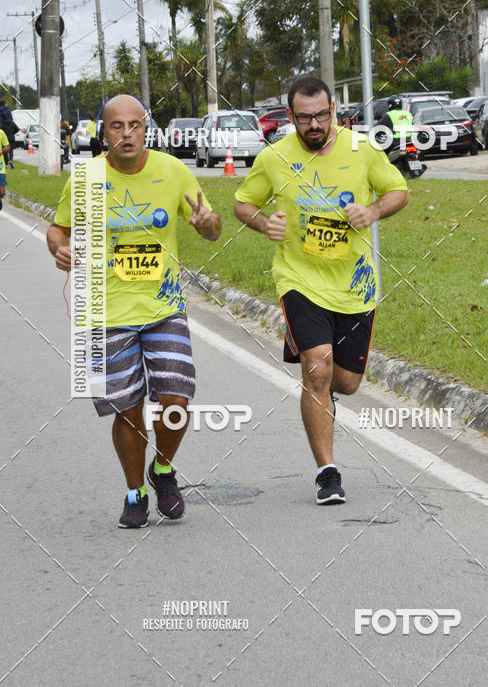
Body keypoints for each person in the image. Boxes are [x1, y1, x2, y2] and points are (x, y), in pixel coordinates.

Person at [47, 94, 222, 528]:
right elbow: (58, 229)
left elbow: (212, 226)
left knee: (176, 400)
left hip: (163, 306)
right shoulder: (86, 178)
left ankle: (163, 469)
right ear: (102, 133)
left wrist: (206, 224)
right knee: (127, 409)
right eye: (116, 126)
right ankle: (133, 492)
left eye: (135, 125)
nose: (127, 134)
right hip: (104, 309)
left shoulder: (172, 170)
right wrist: (60, 248)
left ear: (147, 129)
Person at [234, 76, 408, 504]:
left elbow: (399, 191)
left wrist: (373, 210)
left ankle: (325, 389)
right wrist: (262, 223)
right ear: (290, 116)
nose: (314, 124)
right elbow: (243, 202)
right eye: (305, 117)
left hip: (354, 286)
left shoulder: (361, 149)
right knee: (316, 367)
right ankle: (327, 472)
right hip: (299, 280)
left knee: (345, 383)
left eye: (322, 115)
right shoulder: (275, 157)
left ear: (334, 111)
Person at [0, 98, 16, 168]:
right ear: (5, 104)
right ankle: (11, 159)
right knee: (10, 148)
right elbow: (13, 123)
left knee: (4, 148)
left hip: (2, 133)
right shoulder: (8, 111)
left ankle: (6, 163)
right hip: (10, 134)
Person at [0, 125, 9, 209]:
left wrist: (2, 151)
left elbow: (7, 146)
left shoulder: (1, 133)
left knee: (2, 192)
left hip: (0, 168)